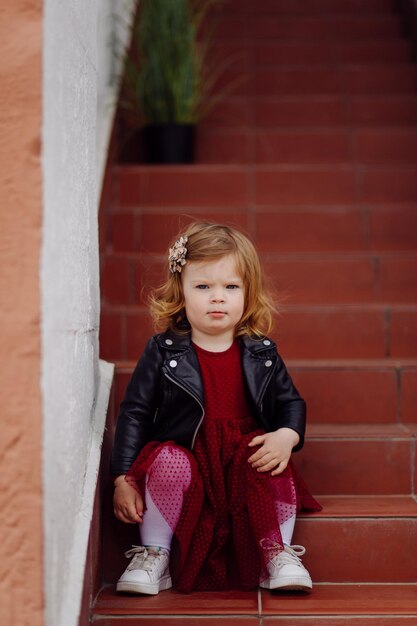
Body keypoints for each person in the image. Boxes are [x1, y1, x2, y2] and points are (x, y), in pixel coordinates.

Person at [111, 222, 321, 596]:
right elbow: (135, 413)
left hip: (240, 462)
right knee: (167, 459)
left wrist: (287, 436)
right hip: (188, 459)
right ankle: (154, 553)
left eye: (231, 287)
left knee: (268, 453)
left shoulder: (262, 352)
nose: (218, 297)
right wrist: (123, 478)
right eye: (203, 286)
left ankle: (277, 552)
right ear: (181, 291)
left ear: (247, 293)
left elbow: (291, 403)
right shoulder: (163, 351)